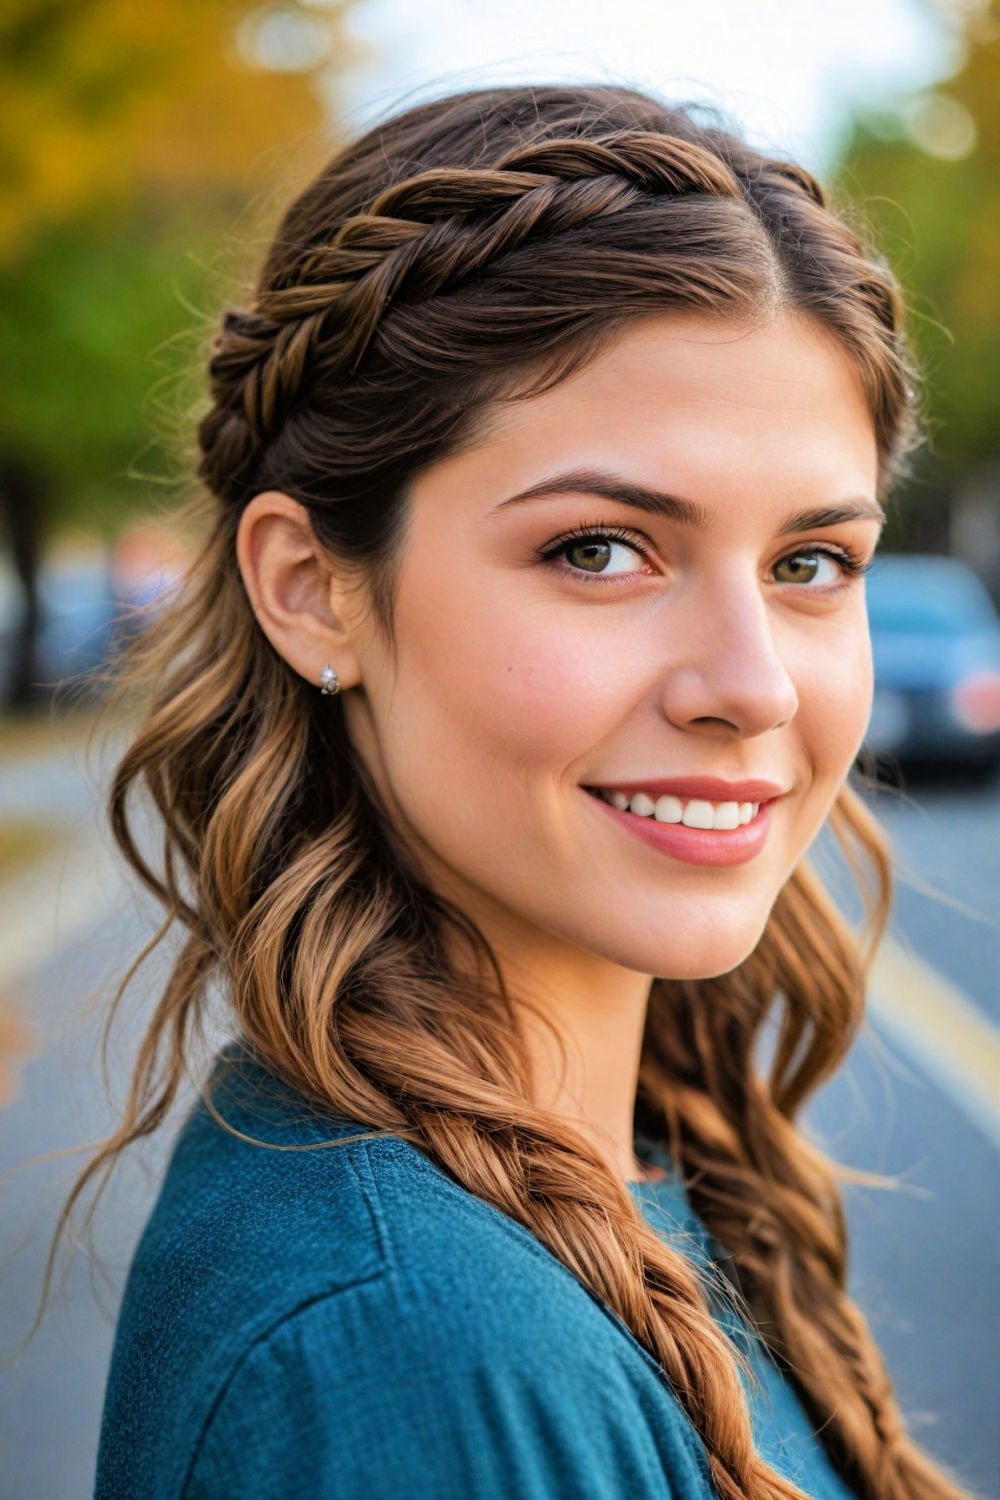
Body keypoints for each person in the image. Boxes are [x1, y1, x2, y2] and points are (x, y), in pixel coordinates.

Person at [75, 83, 976, 1499]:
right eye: (603, 550)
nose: (753, 685)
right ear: (313, 593)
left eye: (810, 565)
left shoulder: (618, 1180)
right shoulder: (407, 1349)